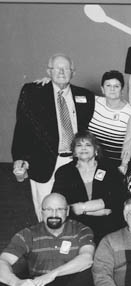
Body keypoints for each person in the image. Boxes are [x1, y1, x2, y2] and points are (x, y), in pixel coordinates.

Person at [12, 54, 96, 221]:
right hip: (43, 161)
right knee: (47, 209)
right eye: (56, 68)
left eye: (66, 68)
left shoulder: (86, 95)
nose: (61, 71)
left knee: (74, 206)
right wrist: (19, 158)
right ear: (48, 71)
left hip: (75, 160)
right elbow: (22, 128)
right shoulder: (32, 91)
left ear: (73, 72)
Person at [0, 194, 95, 286]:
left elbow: (87, 258)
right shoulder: (28, 234)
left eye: (59, 209)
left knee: (87, 274)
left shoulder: (81, 230)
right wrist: (15, 283)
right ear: (42, 212)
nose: (54, 214)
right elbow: (3, 261)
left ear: (67, 211)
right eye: (49, 209)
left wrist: (51, 275)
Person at [52, 132, 127, 244]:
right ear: (74, 151)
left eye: (88, 145)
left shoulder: (109, 168)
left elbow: (118, 198)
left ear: (96, 150)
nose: (83, 148)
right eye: (79, 145)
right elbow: (58, 203)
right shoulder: (64, 172)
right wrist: (98, 210)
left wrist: (82, 208)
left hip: (108, 223)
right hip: (76, 224)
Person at [88, 70, 131, 167]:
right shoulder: (93, 102)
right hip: (90, 162)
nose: (112, 89)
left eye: (116, 86)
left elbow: (129, 144)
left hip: (115, 166)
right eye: (108, 85)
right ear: (102, 89)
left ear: (122, 90)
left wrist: (124, 165)